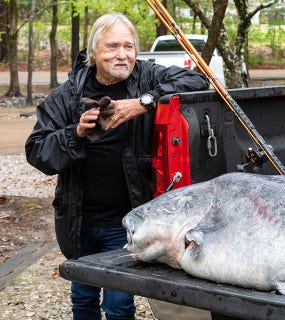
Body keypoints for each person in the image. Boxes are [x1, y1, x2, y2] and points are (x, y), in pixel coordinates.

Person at [25, 13, 208, 320]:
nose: (122, 55)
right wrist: (76, 133)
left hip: (126, 220)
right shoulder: (68, 95)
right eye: (112, 46)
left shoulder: (147, 77)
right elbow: (37, 150)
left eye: (128, 46)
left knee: (120, 304)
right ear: (93, 51)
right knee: (82, 298)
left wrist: (143, 101)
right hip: (79, 219)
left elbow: (198, 79)